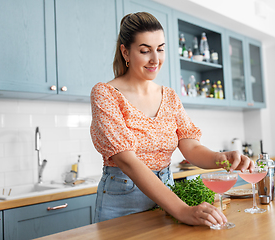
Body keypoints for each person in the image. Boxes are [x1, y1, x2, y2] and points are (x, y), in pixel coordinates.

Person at [90, 12, 254, 227]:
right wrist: (183, 211)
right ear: (125, 51)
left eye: (160, 49)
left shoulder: (169, 96)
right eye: (145, 51)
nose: (155, 60)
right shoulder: (105, 93)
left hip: (168, 193)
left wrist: (221, 158)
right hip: (123, 199)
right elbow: (127, 160)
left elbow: (191, 148)